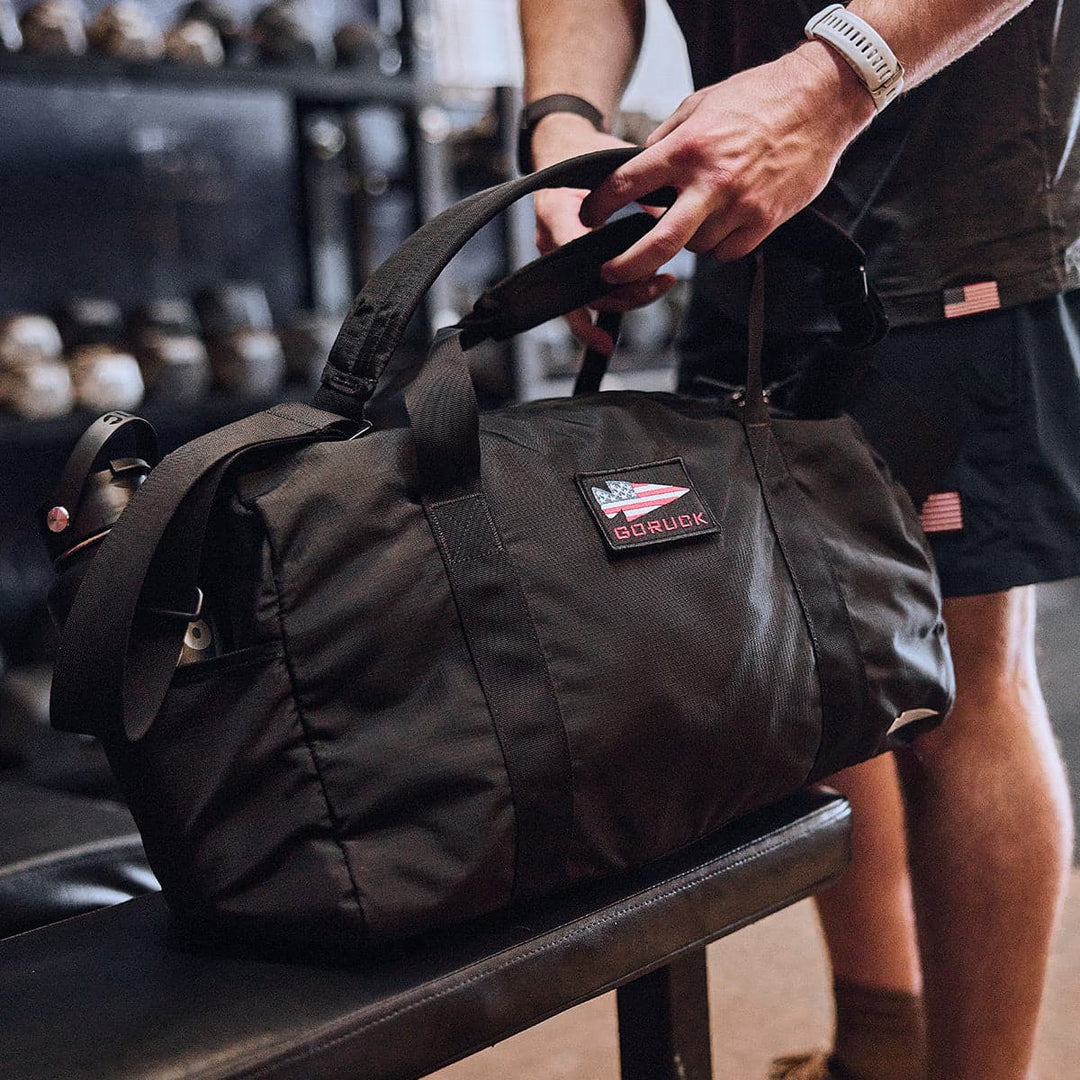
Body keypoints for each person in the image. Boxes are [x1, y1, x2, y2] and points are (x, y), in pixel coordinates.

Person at [517, 2, 1078, 1079]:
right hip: (740, 204)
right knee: (806, 654)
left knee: (958, 686)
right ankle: (878, 1046)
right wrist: (564, 122)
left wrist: (839, 77)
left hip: (955, 198)